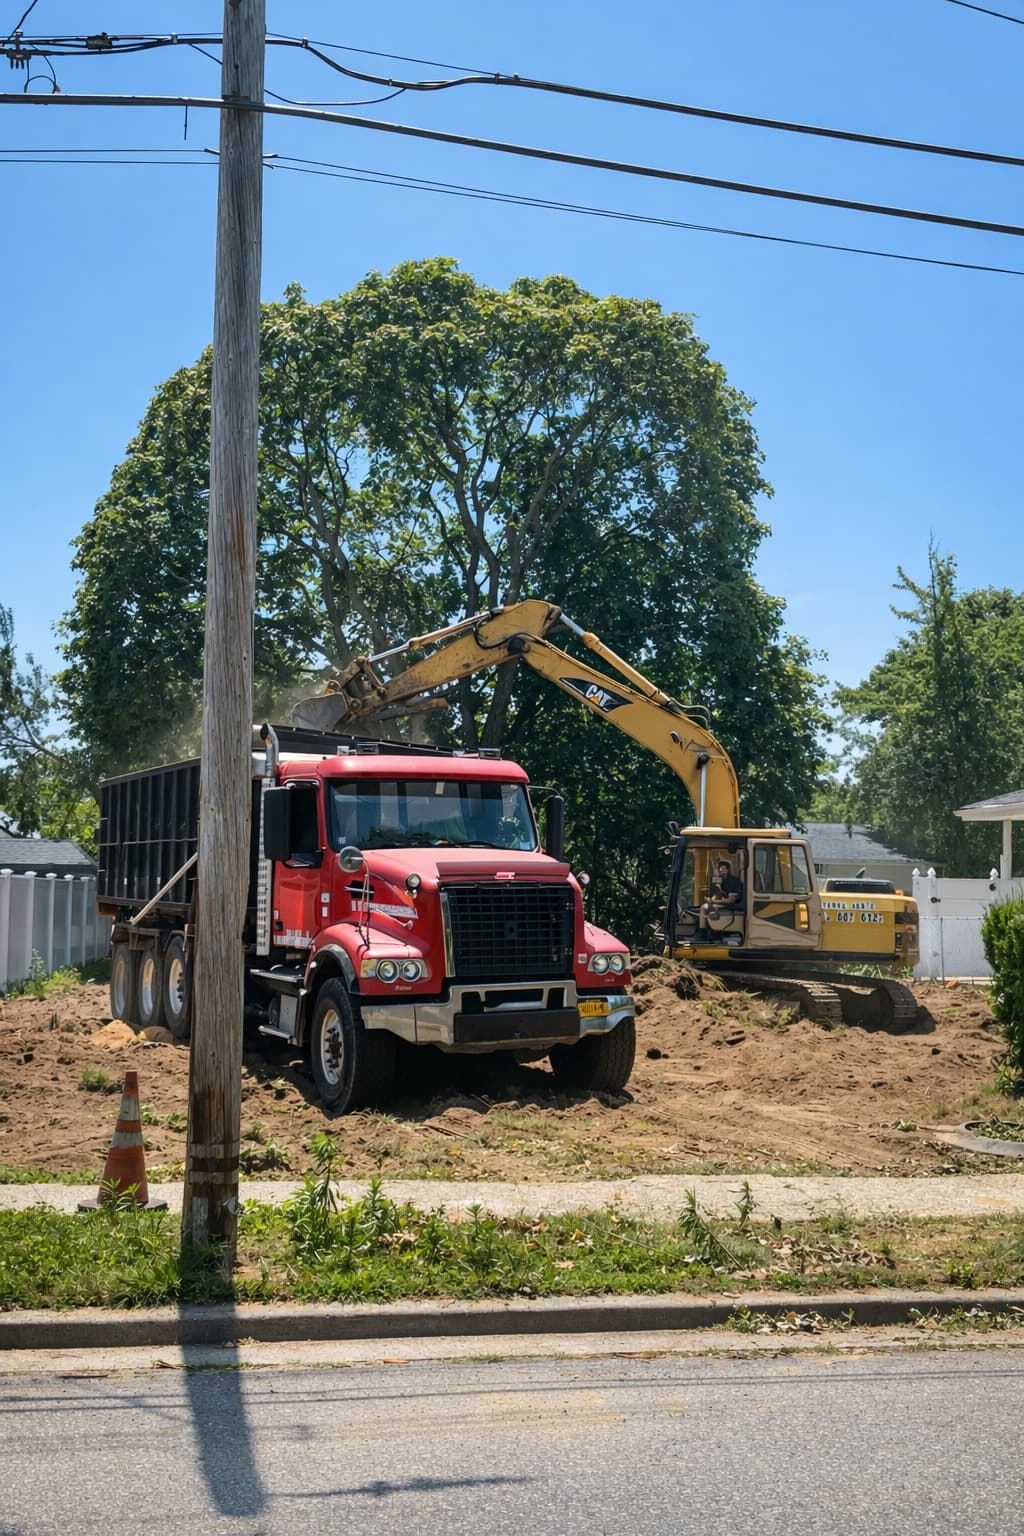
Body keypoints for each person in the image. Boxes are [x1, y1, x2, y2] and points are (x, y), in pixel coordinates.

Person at [700, 859, 744, 937]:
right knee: (706, 906)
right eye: (720, 868)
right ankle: (710, 931)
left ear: (728, 870)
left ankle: (702, 932)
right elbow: (719, 893)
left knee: (704, 908)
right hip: (724, 903)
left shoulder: (733, 882)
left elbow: (731, 900)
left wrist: (714, 902)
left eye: (723, 868)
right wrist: (712, 899)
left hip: (735, 906)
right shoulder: (722, 881)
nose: (721, 870)